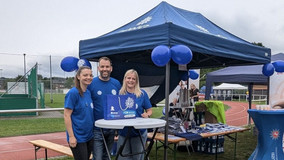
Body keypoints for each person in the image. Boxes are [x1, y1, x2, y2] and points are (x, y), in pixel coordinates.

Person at [88, 57, 121, 160]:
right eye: (102, 66)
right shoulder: (91, 84)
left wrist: (117, 129)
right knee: (97, 157)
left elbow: (119, 106)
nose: (105, 69)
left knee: (107, 156)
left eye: (107, 66)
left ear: (111, 68)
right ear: (98, 68)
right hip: (97, 129)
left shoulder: (116, 84)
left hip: (111, 128)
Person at [117, 69, 152, 160]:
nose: (131, 80)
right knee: (123, 158)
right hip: (123, 131)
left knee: (137, 157)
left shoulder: (142, 94)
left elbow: (149, 110)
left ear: (136, 81)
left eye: (133, 79)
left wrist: (147, 115)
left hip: (138, 132)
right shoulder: (120, 94)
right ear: (125, 79)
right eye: (129, 78)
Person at [64, 66, 94, 160]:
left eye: (90, 75)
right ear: (78, 77)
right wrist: (71, 137)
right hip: (78, 137)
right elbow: (66, 115)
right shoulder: (73, 93)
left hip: (89, 136)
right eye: (85, 75)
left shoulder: (88, 92)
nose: (88, 77)